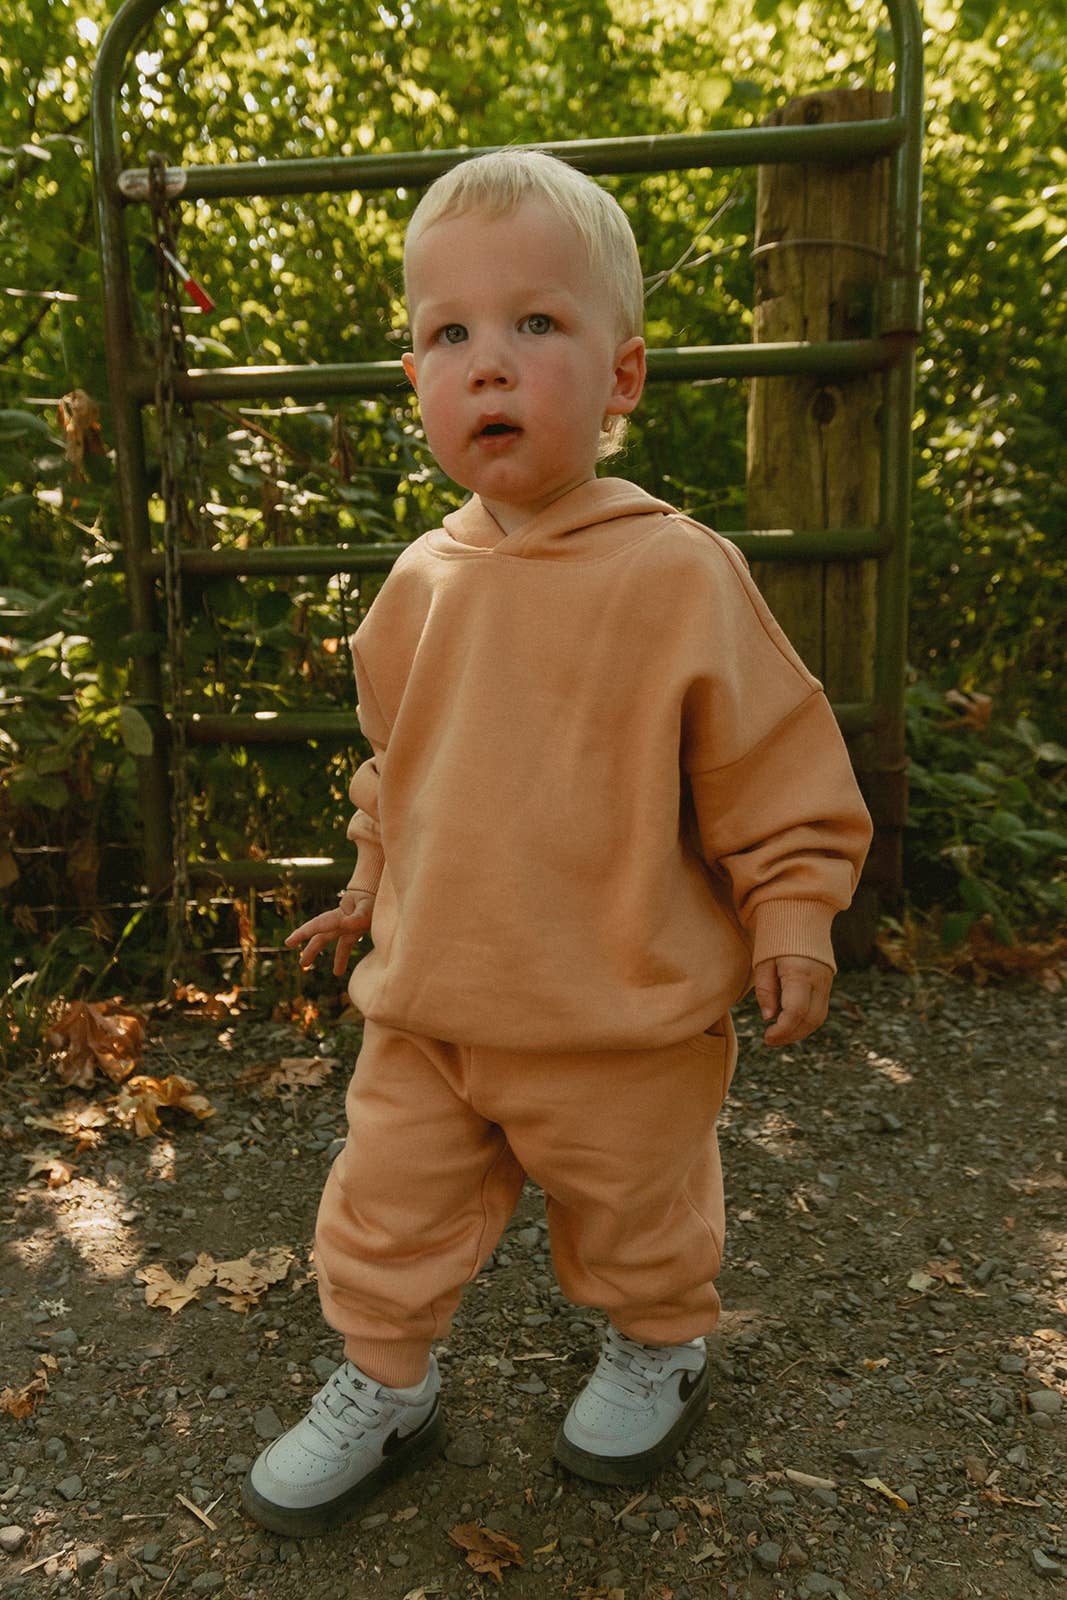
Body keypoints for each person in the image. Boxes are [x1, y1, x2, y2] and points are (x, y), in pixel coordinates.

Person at [242, 149, 873, 1539]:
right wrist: (368, 883)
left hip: (618, 1012)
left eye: (536, 323)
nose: (488, 362)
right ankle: (385, 1380)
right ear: (414, 380)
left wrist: (792, 911)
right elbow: (399, 771)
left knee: (638, 1210)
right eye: (447, 334)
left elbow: (774, 766)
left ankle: (659, 1344)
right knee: (385, 1205)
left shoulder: (678, 573)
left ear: (622, 375)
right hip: (432, 1003)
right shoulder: (420, 585)